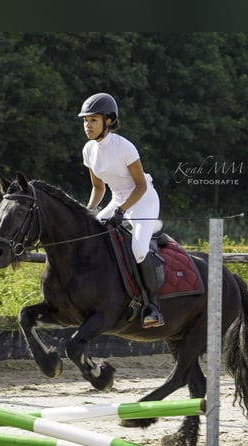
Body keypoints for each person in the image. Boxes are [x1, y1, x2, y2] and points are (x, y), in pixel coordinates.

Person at [78, 92, 164, 328]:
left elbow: (141, 185)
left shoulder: (125, 147)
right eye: (85, 120)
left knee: (137, 249)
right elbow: (98, 187)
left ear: (108, 121)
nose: (88, 125)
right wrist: (89, 210)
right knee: (90, 235)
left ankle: (152, 307)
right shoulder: (88, 150)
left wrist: (123, 210)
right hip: (117, 200)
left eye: (93, 120)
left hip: (142, 199)